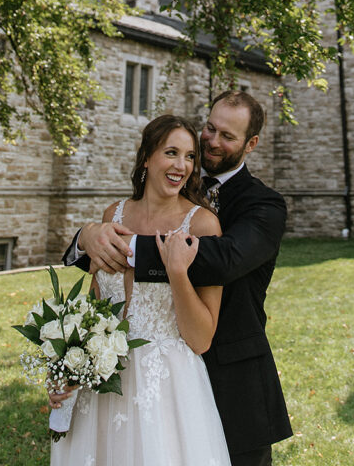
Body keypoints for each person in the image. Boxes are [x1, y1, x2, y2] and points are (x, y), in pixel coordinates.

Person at [64, 91, 292, 466]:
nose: (212, 142)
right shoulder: (154, 191)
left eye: (228, 136)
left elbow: (224, 259)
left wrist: (117, 244)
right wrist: (85, 238)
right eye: (210, 128)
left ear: (251, 144)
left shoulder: (263, 205)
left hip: (229, 374)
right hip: (126, 378)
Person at [51, 114, 232, 466]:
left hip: (166, 390)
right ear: (146, 156)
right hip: (103, 384)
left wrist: (177, 272)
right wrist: (69, 370)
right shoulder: (113, 215)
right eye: (171, 153)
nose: (182, 166)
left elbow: (201, 339)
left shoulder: (202, 224)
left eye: (190, 156)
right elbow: (95, 310)